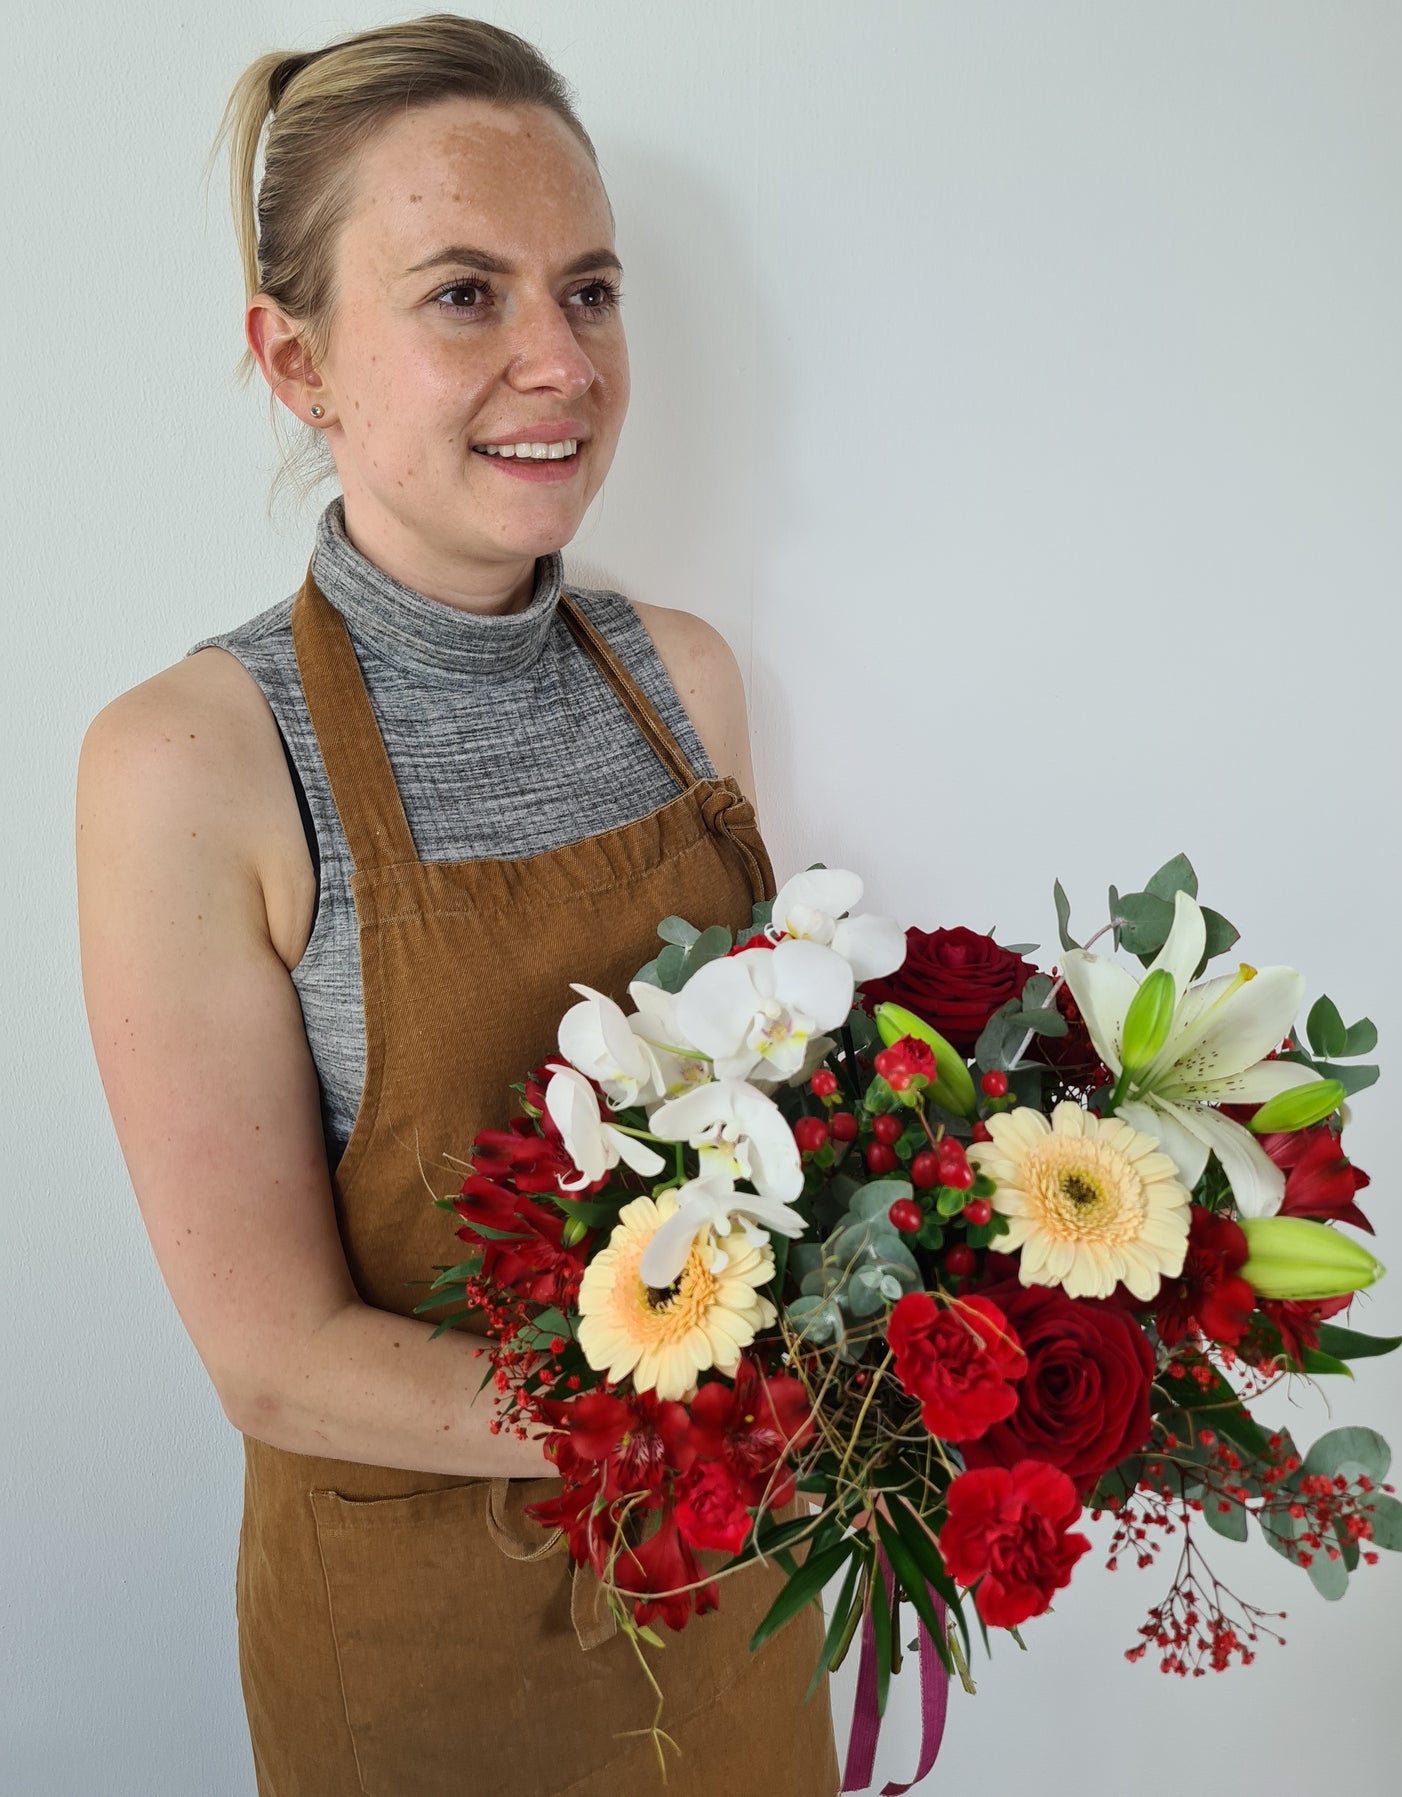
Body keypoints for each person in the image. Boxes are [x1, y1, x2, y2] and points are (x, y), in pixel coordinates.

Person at [76, 15, 840, 1796]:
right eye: (462, 295)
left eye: (586, 289)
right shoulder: (192, 761)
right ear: (295, 361)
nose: (557, 361)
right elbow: (272, 1358)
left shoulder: (687, 681)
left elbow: (787, 1141)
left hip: (736, 1607)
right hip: (430, 1654)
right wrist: (708, 1412)